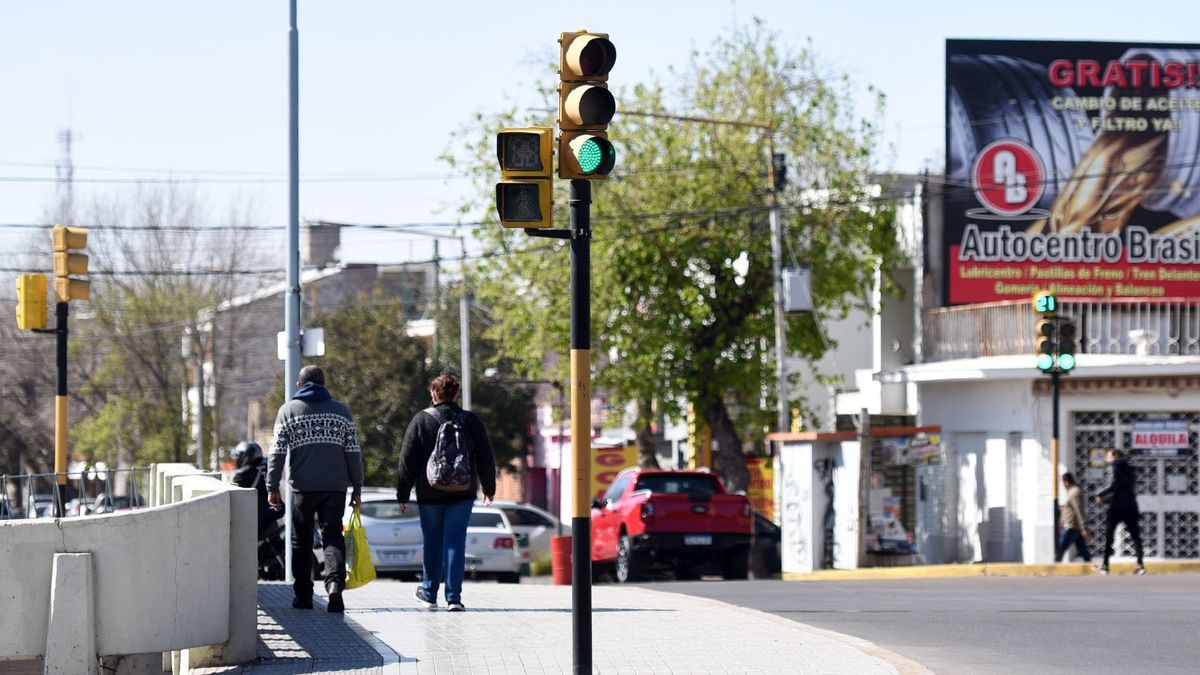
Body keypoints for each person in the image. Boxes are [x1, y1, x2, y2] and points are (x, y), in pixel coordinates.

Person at [266, 365, 364, 612]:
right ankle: (334, 586)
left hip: (302, 488)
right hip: (335, 487)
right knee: (333, 536)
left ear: (299, 386)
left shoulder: (288, 411)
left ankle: (303, 596)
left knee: (301, 540)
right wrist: (357, 488)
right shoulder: (341, 412)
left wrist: (272, 487)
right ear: (324, 384)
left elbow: (276, 453)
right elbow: (353, 454)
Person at [396, 372, 497, 612]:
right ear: (455, 394)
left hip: (429, 493)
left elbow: (407, 460)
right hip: (462, 493)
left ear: (434, 394)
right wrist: (489, 488)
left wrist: (403, 494)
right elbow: (485, 456)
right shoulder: (470, 421)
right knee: (455, 543)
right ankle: (454, 598)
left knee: (432, 543)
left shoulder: (421, 420)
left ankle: (429, 592)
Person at [1094, 450, 1145, 576]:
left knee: (1109, 537)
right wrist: (1107, 499)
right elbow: (1123, 489)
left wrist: (1099, 494)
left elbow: (1112, 485)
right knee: (1136, 537)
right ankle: (1140, 565)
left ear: (1114, 456)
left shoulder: (1113, 467)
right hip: (1131, 506)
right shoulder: (1130, 469)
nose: (1106, 458)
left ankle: (1105, 566)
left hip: (1116, 508)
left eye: (1108, 455)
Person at [231, 441, 277, 537]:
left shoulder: (242, 474)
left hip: (260, 520)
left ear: (244, 456)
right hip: (278, 513)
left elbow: (234, 499)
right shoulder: (268, 468)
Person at [1058, 472, 1091, 563]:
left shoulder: (1074, 492)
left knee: (1059, 549)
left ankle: (1054, 568)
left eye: (1062, 483)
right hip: (1075, 527)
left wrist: (1084, 528)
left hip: (1071, 526)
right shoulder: (1072, 491)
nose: (1063, 485)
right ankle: (1089, 566)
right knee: (1084, 552)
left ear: (1066, 482)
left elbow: (1079, 511)